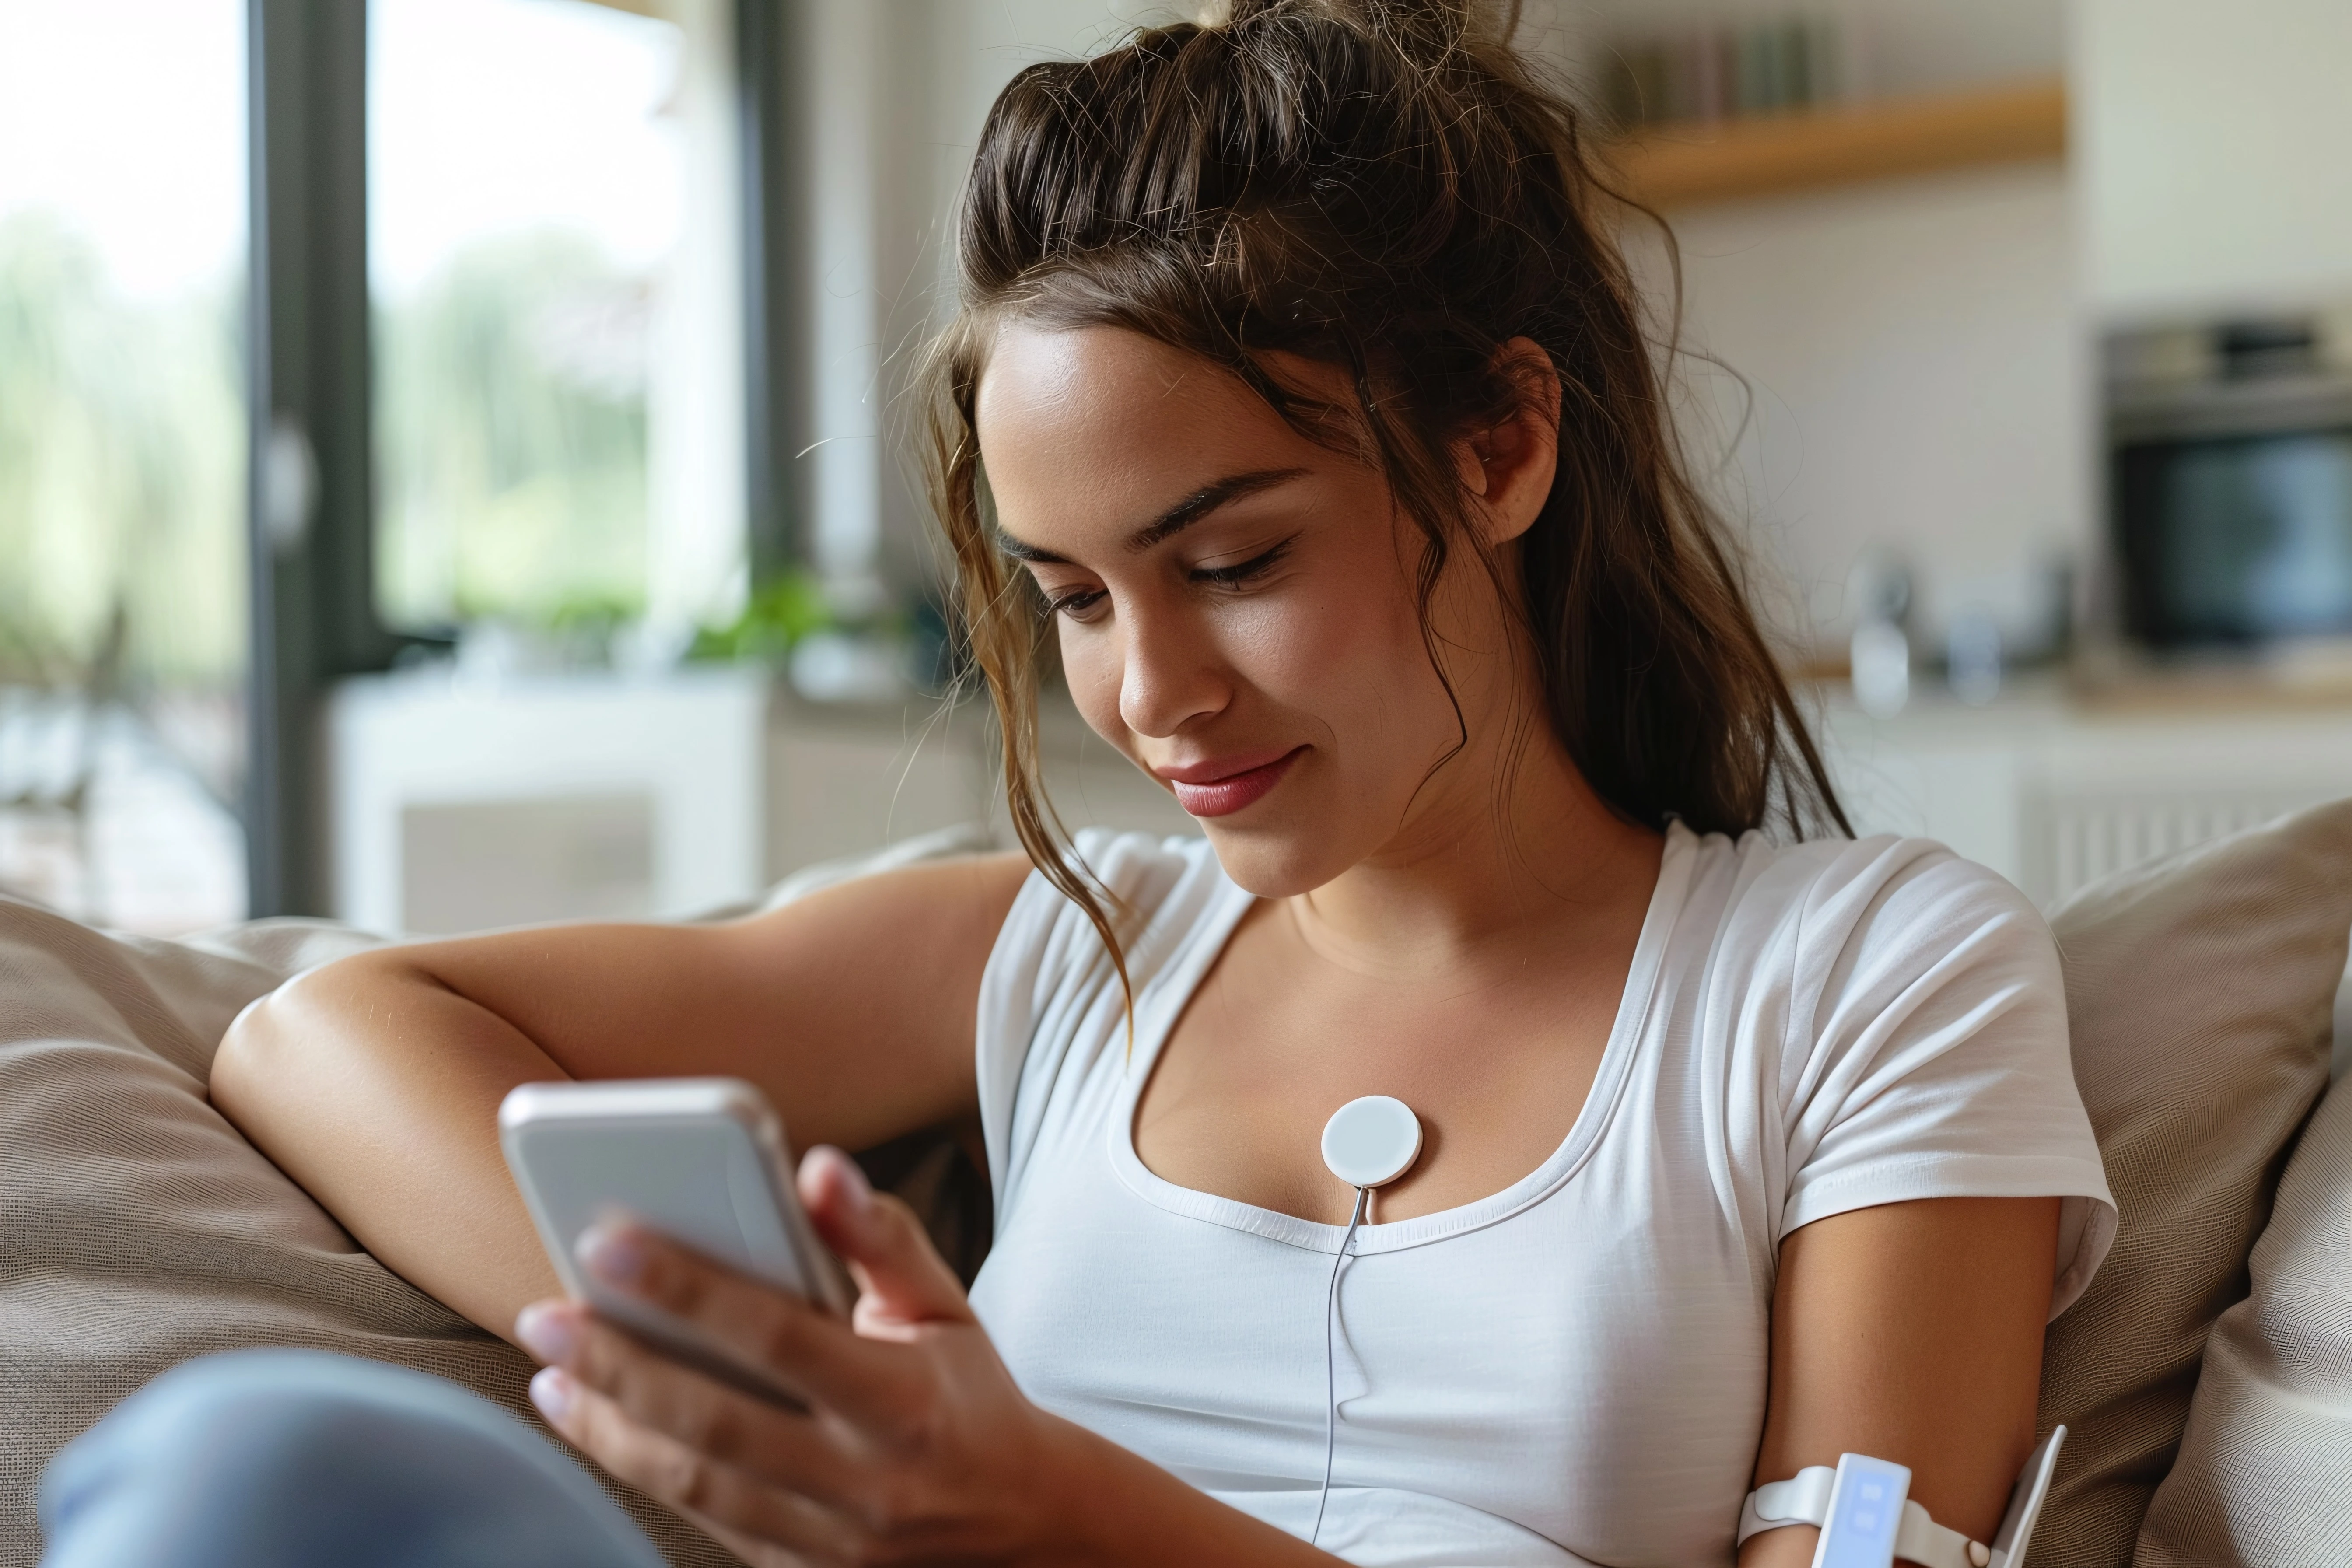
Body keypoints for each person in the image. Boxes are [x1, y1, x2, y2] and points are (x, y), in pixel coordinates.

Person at [49, 3, 2114, 1565]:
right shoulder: (1071, 941)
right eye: (1073, 600)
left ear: (1499, 448)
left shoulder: (1865, 973)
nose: (1154, 693)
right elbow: (329, 1032)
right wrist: (742, 1383)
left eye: (1235, 563)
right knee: (250, 1460)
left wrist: (1053, 1501)